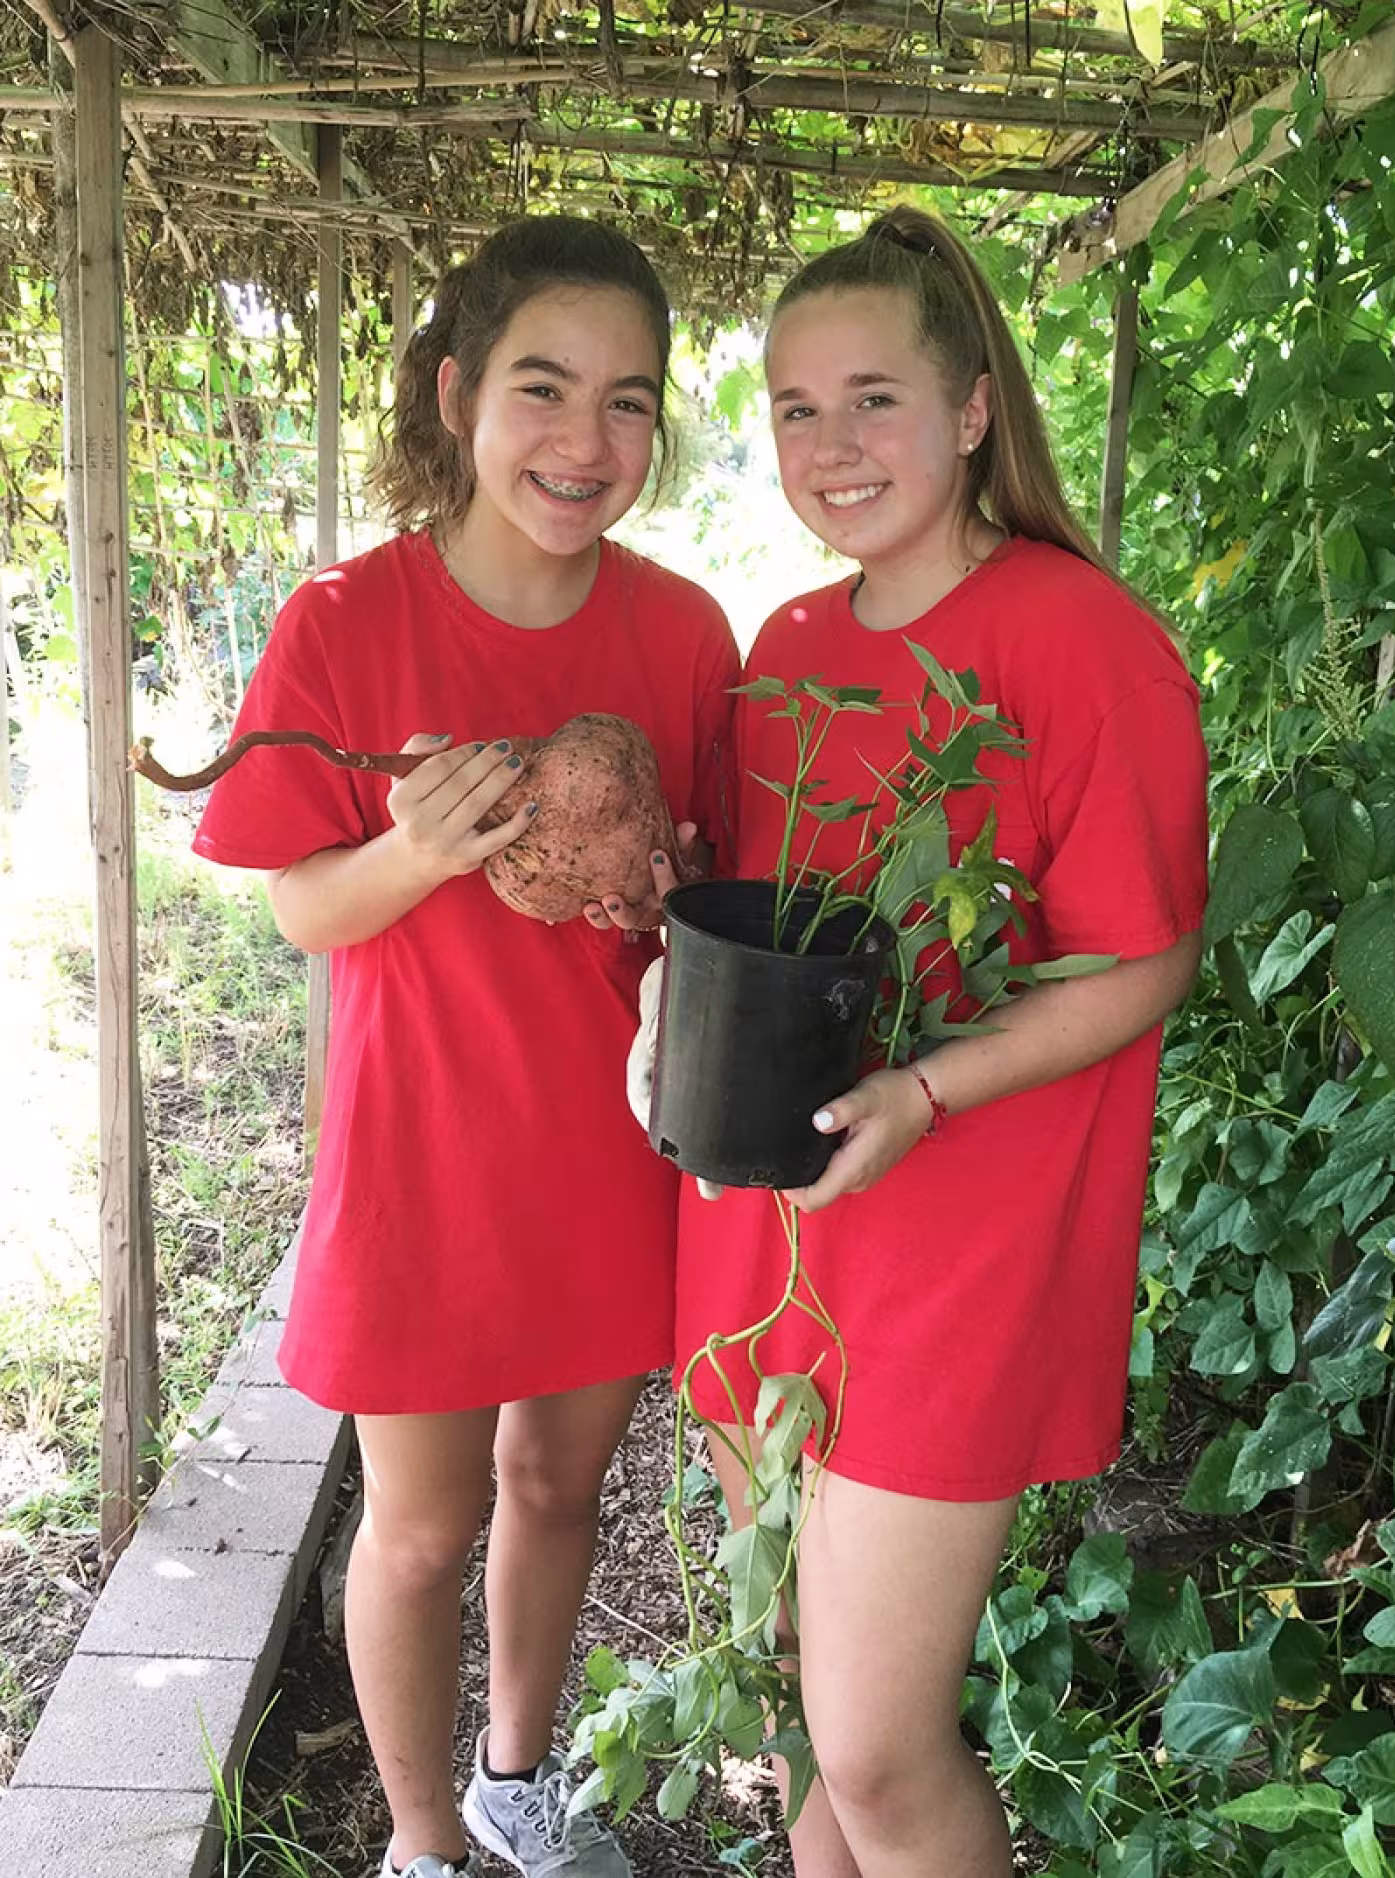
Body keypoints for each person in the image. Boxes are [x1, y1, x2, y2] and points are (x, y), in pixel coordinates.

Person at [646, 206, 1209, 1877]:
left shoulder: (1084, 639)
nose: (832, 445)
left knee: (883, 1756)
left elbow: (1145, 962)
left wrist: (925, 1088)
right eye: (797, 408)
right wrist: (663, 1014)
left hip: (962, 1232)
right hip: (784, 1226)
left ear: (971, 412)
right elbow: (747, 931)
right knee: (809, 1703)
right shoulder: (786, 652)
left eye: (874, 398)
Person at [193, 215, 739, 1878]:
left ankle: (512, 1777)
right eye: (543, 387)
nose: (588, 439)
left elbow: (711, 886)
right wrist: (419, 849)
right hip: (420, 1147)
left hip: (605, 1144)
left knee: (559, 1490)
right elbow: (301, 902)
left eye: (630, 400)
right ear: (457, 395)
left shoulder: (684, 635)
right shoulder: (346, 620)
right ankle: (424, 1845)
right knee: (420, 1529)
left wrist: (672, 882)